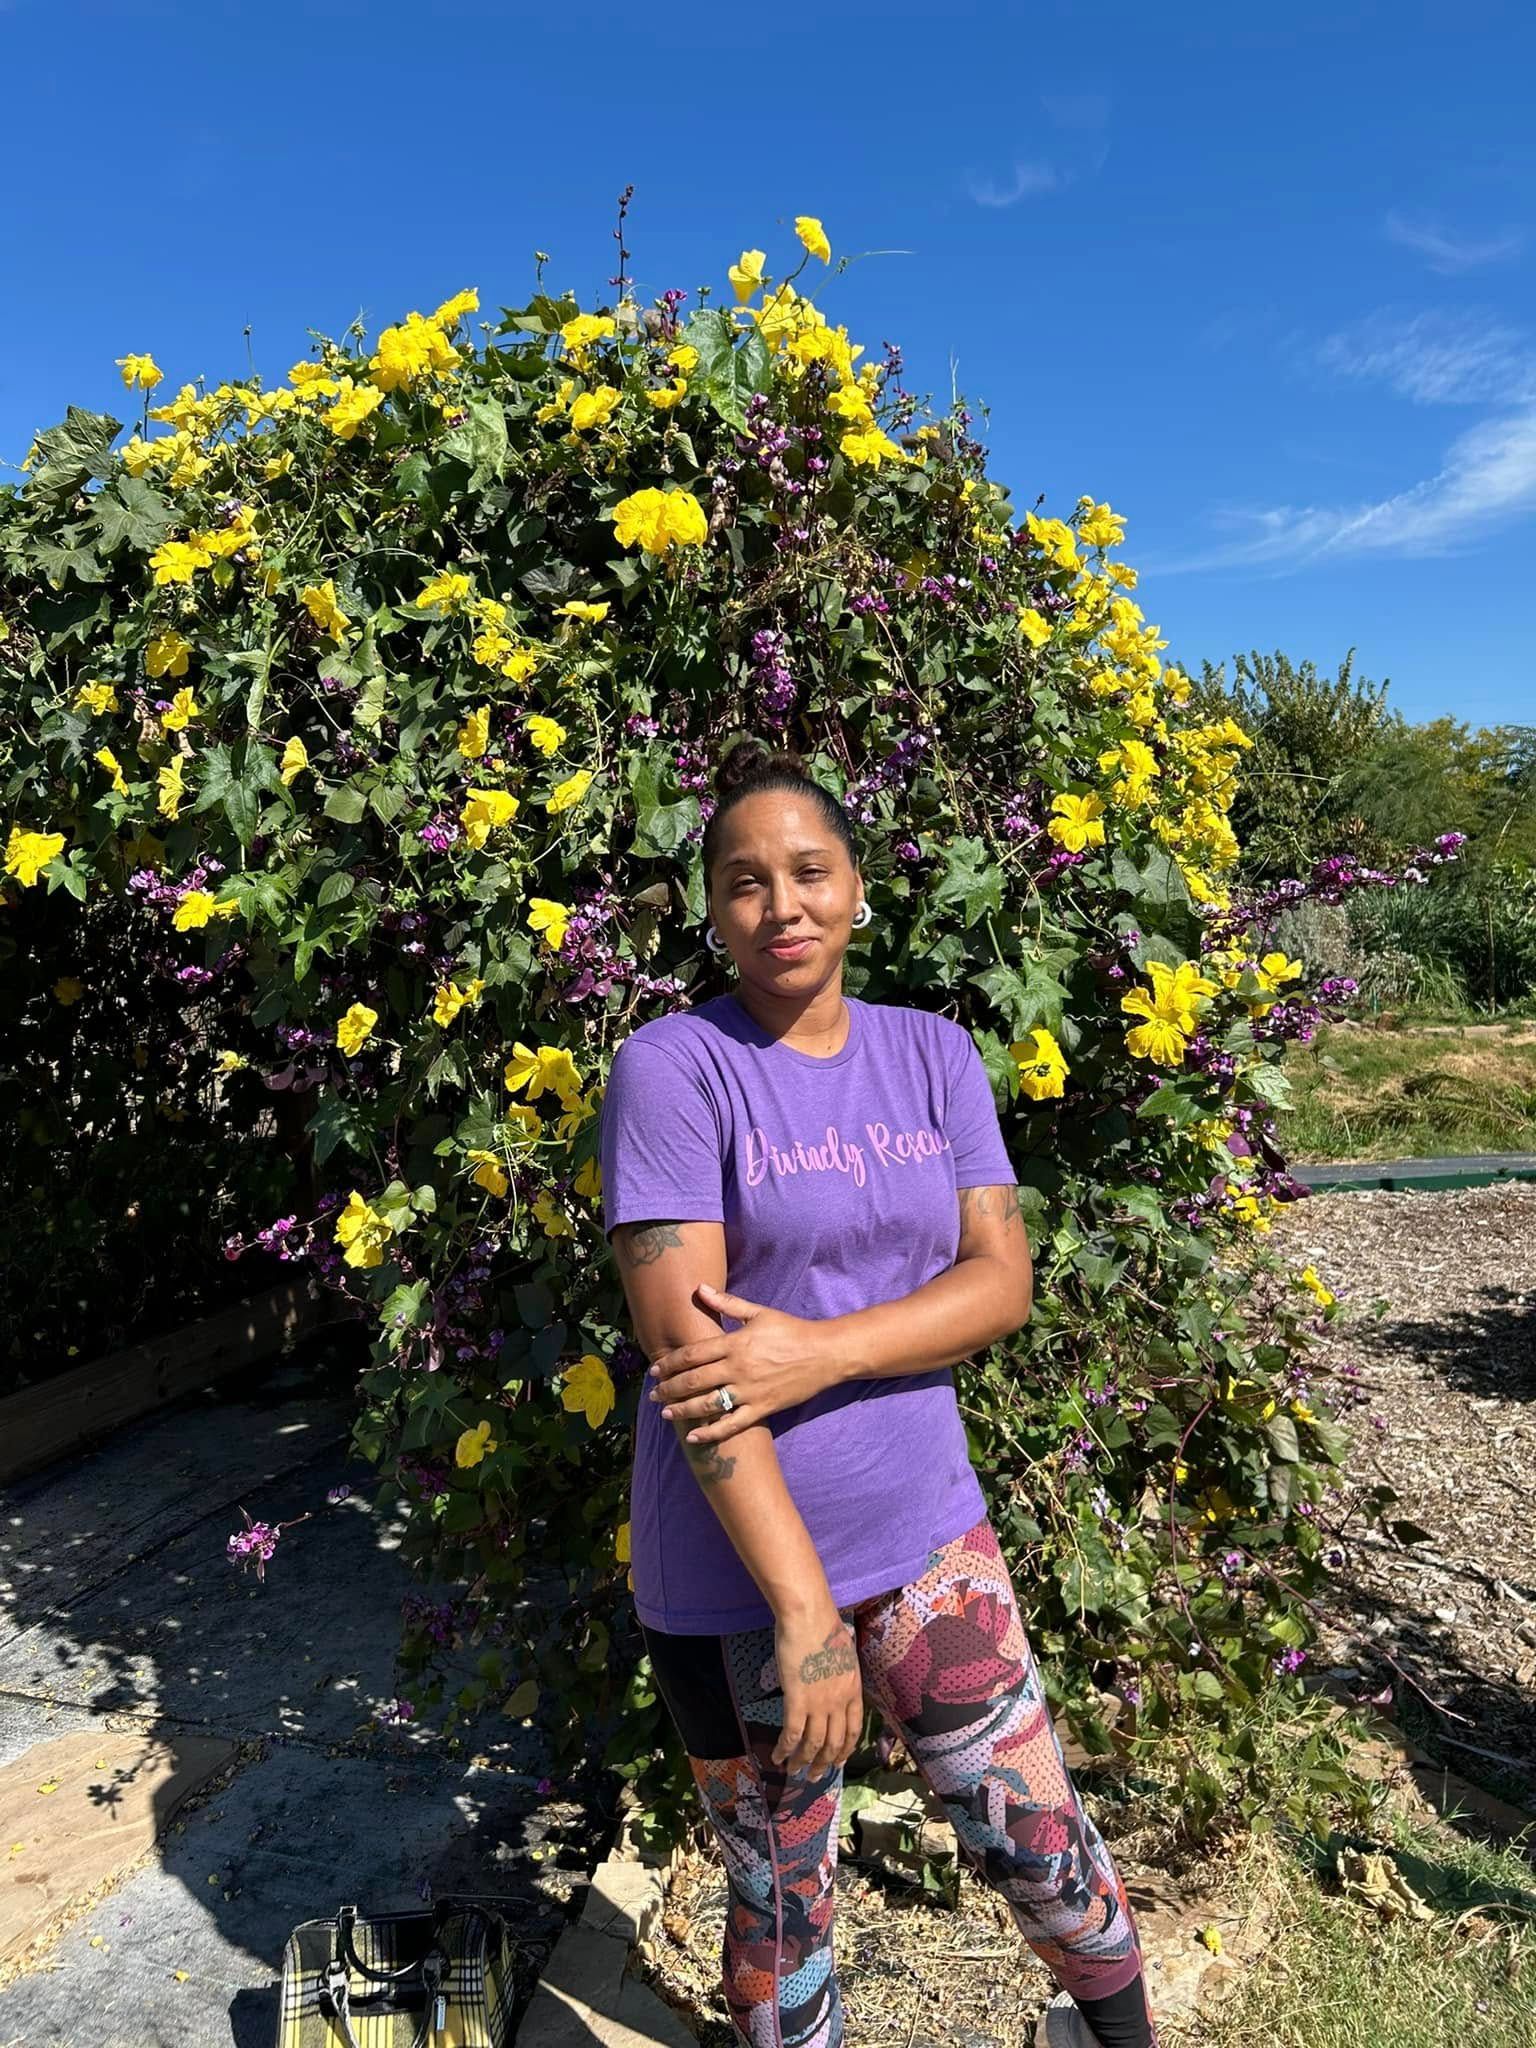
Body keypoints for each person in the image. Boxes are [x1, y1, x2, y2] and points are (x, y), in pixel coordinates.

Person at [598, 737, 1160, 2048]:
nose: (780, 903)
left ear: (858, 890)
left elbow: (1001, 1282)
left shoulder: (934, 1058)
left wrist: (825, 1349)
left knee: (1041, 1846)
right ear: (714, 909)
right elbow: (698, 1374)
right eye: (744, 881)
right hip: (738, 1587)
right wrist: (803, 1616)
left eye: (808, 871)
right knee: (782, 1909)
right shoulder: (673, 1071)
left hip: (925, 1544)